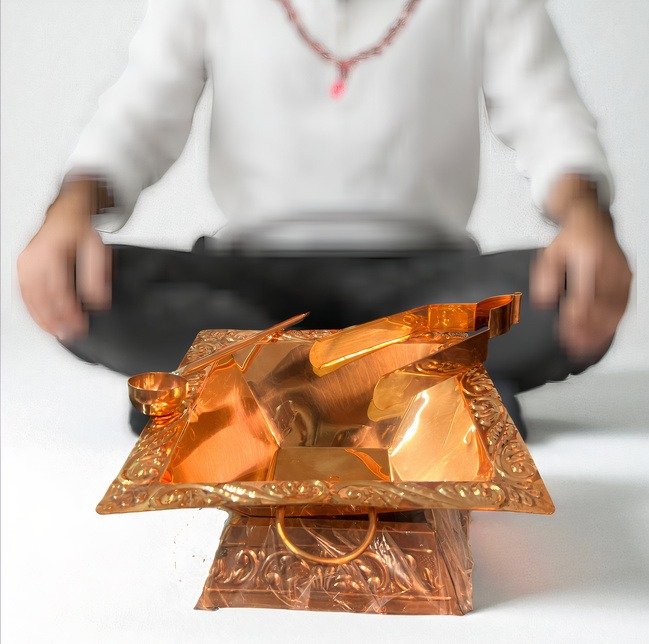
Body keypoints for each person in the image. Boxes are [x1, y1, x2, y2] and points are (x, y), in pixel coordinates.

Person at [17, 0, 631, 436]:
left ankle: (241, 396)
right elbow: (139, 112)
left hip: (426, 284)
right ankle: (415, 391)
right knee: (94, 286)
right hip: (251, 283)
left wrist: (586, 220)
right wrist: (71, 210)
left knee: (559, 294)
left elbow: (547, 114)